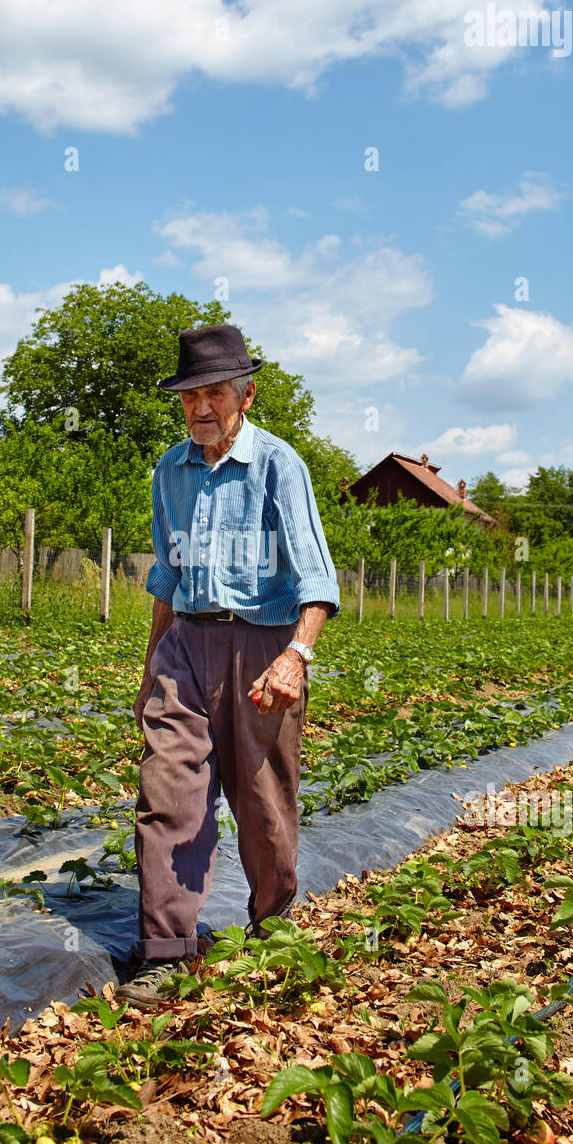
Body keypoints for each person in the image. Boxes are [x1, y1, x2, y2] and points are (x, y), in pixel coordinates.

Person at [117, 322, 340, 1004]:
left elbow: (317, 580)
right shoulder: (169, 469)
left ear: (245, 394)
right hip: (186, 643)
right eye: (188, 397)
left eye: (213, 393)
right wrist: (152, 665)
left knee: (262, 800)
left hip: (261, 649)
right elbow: (166, 577)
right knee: (168, 791)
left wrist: (295, 657)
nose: (199, 409)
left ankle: (272, 926)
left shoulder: (278, 465)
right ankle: (165, 950)